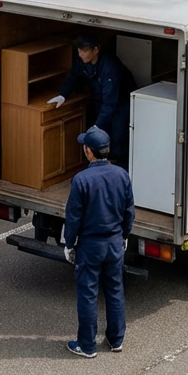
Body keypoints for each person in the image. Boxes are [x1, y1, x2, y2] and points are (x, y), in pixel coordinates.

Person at [62, 126, 135, 358]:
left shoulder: (81, 180)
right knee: (115, 291)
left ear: (88, 151)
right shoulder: (121, 175)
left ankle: (87, 345)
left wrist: (69, 243)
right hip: (114, 242)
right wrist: (124, 235)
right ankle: (116, 339)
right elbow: (129, 212)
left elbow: (73, 217)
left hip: (90, 245)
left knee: (88, 294)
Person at [49, 34, 133, 164]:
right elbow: (73, 76)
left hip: (119, 102)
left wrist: (97, 126)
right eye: (79, 50)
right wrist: (63, 95)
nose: (80, 54)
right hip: (100, 100)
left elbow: (110, 102)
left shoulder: (109, 67)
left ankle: (120, 167)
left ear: (95, 50)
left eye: (84, 50)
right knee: (102, 132)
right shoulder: (82, 61)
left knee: (118, 137)